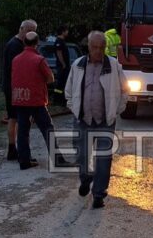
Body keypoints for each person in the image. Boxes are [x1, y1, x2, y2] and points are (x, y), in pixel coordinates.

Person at [65, 30, 127, 208]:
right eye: (95, 47)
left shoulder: (114, 66)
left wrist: (117, 110)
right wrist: (73, 107)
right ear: (89, 47)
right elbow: (69, 90)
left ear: (105, 47)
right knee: (81, 156)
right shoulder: (78, 65)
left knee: (103, 158)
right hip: (82, 119)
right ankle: (85, 180)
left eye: (102, 47)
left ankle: (99, 194)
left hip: (105, 121)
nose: (98, 51)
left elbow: (125, 90)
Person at [11, 30, 55, 170]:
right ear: (37, 43)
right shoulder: (39, 60)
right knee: (48, 129)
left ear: (24, 42)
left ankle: (24, 160)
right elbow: (50, 78)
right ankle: (57, 158)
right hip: (36, 100)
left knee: (23, 131)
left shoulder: (16, 59)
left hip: (20, 99)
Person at [2, 19, 38, 161]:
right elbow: (16, 70)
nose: (30, 33)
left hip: (14, 87)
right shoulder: (14, 46)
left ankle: (14, 150)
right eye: (28, 30)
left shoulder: (17, 44)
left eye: (33, 31)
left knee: (15, 118)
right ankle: (16, 151)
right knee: (18, 119)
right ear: (21, 28)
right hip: (15, 88)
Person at [53, 24, 71, 103]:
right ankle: (57, 100)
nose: (68, 32)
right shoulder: (59, 41)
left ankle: (62, 99)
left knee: (64, 83)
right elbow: (59, 53)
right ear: (63, 32)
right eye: (66, 31)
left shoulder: (62, 41)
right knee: (60, 83)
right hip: (62, 67)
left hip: (64, 66)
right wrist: (63, 64)